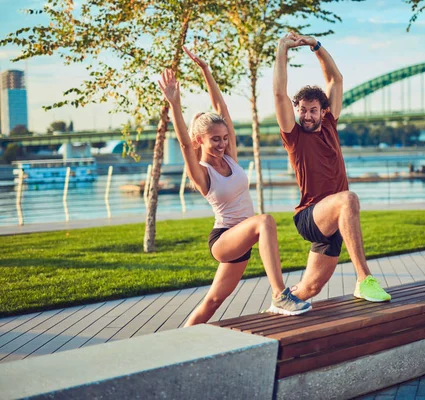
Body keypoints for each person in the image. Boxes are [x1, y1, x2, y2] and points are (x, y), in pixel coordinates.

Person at [158, 47, 311, 327]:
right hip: (224, 240)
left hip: (242, 242)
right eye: (215, 139)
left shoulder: (230, 157)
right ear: (200, 141)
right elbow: (182, 142)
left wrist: (206, 71)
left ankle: (179, 338)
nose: (222, 143)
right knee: (264, 221)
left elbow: (222, 110)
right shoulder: (201, 172)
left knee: (213, 302)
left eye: (225, 138)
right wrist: (173, 103)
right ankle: (280, 294)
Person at [273, 33, 391, 303]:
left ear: (324, 111)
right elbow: (279, 93)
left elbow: (335, 80)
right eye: (302, 110)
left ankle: (279, 305)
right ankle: (364, 279)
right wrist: (282, 49)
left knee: (309, 290)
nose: (306, 116)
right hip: (310, 216)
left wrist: (315, 45)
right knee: (348, 199)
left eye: (312, 110)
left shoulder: (329, 125)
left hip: (335, 221)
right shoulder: (293, 135)